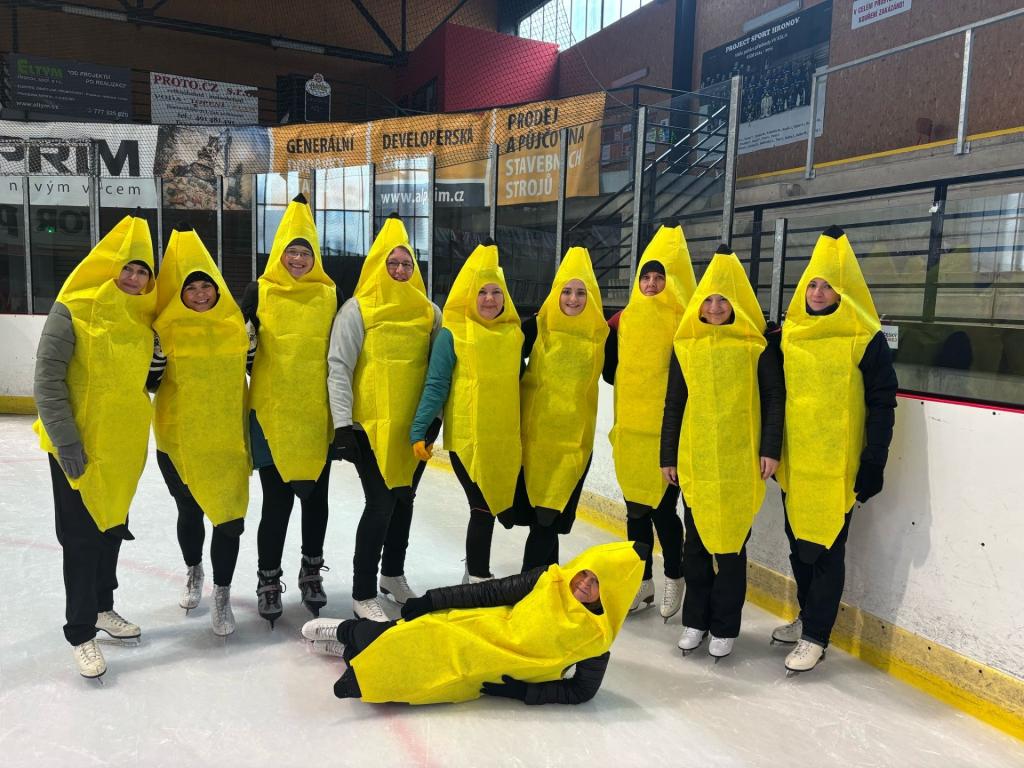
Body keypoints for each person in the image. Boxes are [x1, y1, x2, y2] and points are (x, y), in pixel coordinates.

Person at [33, 213, 157, 679]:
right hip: (78, 445)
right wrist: (66, 441)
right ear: (109, 266)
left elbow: (145, 381)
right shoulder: (71, 309)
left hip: (123, 447)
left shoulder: (143, 317)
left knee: (111, 529)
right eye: (128, 268)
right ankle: (81, 631)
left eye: (143, 271)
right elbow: (47, 381)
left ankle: (103, 607)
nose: (134, 278)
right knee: (82, 539)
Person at [300, 542, 646, 705]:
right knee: (416, 634)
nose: (584, 582)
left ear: (611, 592)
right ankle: (347, 634)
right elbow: (490, 592)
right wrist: (433, 600)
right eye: (585, 572)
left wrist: (527, 692)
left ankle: (354, 656)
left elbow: (582, 690)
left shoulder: (597, 639)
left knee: (430, 681)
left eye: (596, 582)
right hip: (476, 629)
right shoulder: (549, 578)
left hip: (489, 668)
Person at [772, 226, 897, 673]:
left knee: (827, 549)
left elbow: (882, 402)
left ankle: (816, 636)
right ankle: (808, 615)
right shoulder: (791, 334)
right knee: (799, 545)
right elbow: (774, 396)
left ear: (844, 292)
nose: (818, 293)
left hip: (837, 468)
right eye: (812, 285)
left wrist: (874, 460)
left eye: (827, 286)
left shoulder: (865, 338)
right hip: (796, 465)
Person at [660, 246, 785, 660]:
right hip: (696, 460)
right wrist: (668, 455)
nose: (714, 307)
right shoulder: (686, 347)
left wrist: (770, 449)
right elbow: (674, 403)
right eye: (708, 299)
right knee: (695, 547)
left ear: (736, 304)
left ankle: (725, 625)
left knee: (730, 548)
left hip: (739, 463)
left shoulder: (756, 346)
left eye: (723, 300)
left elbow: (773, 398)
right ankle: (695, 621)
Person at [328, 215, 442, 620]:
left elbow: (437, 371)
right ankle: (362, 592)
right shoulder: (357, 309)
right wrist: (343, 424)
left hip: (414, 429)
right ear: (378, 265)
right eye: (391, 263)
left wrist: (433, 419)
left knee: (404, 500)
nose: (399, 269)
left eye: (406, 263)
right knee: (379, 505)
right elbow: (339, 366)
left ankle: (392, 574)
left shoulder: (429, 311)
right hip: (370, 429)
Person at [241, 193, 342, 627]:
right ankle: (268, 578)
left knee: (316, 501)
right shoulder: (259, 290)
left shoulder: (329, 294)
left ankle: (311, 571)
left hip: (316, 415)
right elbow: (240, 346)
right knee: (276, 503)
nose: (298, 259)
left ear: (314, 256)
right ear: (279, 254)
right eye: (291, 252)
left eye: (305, 253)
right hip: (272, 413)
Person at [149, 225, 251, 636]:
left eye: (206, 285)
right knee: (189, 512)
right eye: (190, 288)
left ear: (217, 288)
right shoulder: (164, 330)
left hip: (227, 441)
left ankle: (222, 592)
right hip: (179, 441)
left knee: (229, 520)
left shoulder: (238, 326)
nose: (200, 293)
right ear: (180, 293)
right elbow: (151, 383)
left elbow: (259, 371)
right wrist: (155, 354)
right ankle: (194, 571)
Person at [409, 241, 523, 583]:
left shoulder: (514, 334)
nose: (489, 299)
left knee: (489, 506)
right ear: (469, 296)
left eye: (496, 292)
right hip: (467, 440)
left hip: (503, 442)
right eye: (482, 292)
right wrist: (420, 430)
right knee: (482, 506)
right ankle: (477, 577)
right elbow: (436, 385)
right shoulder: (452, 334)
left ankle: (471, 575)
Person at [605, 223, 696, 618]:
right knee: (635, 511)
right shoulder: (623, 319)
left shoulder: (686, 320)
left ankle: (675, 574)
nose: (653, 284)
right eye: (647, 277)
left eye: (660, 277)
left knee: (662, 511)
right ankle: (641, 583)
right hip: (630, 431)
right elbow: (610, 372)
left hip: (666, 434)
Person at [507, 247, 607, 572]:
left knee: (550, 516)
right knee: (543, 520)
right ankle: (544, 583)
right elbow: (504, 359)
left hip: (573, 446)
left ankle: (528, 587)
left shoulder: (602, 335)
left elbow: (619, 372)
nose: (573, 299)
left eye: (581, 292)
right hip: (535, 443)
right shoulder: (537, 327)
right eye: (566, 291)